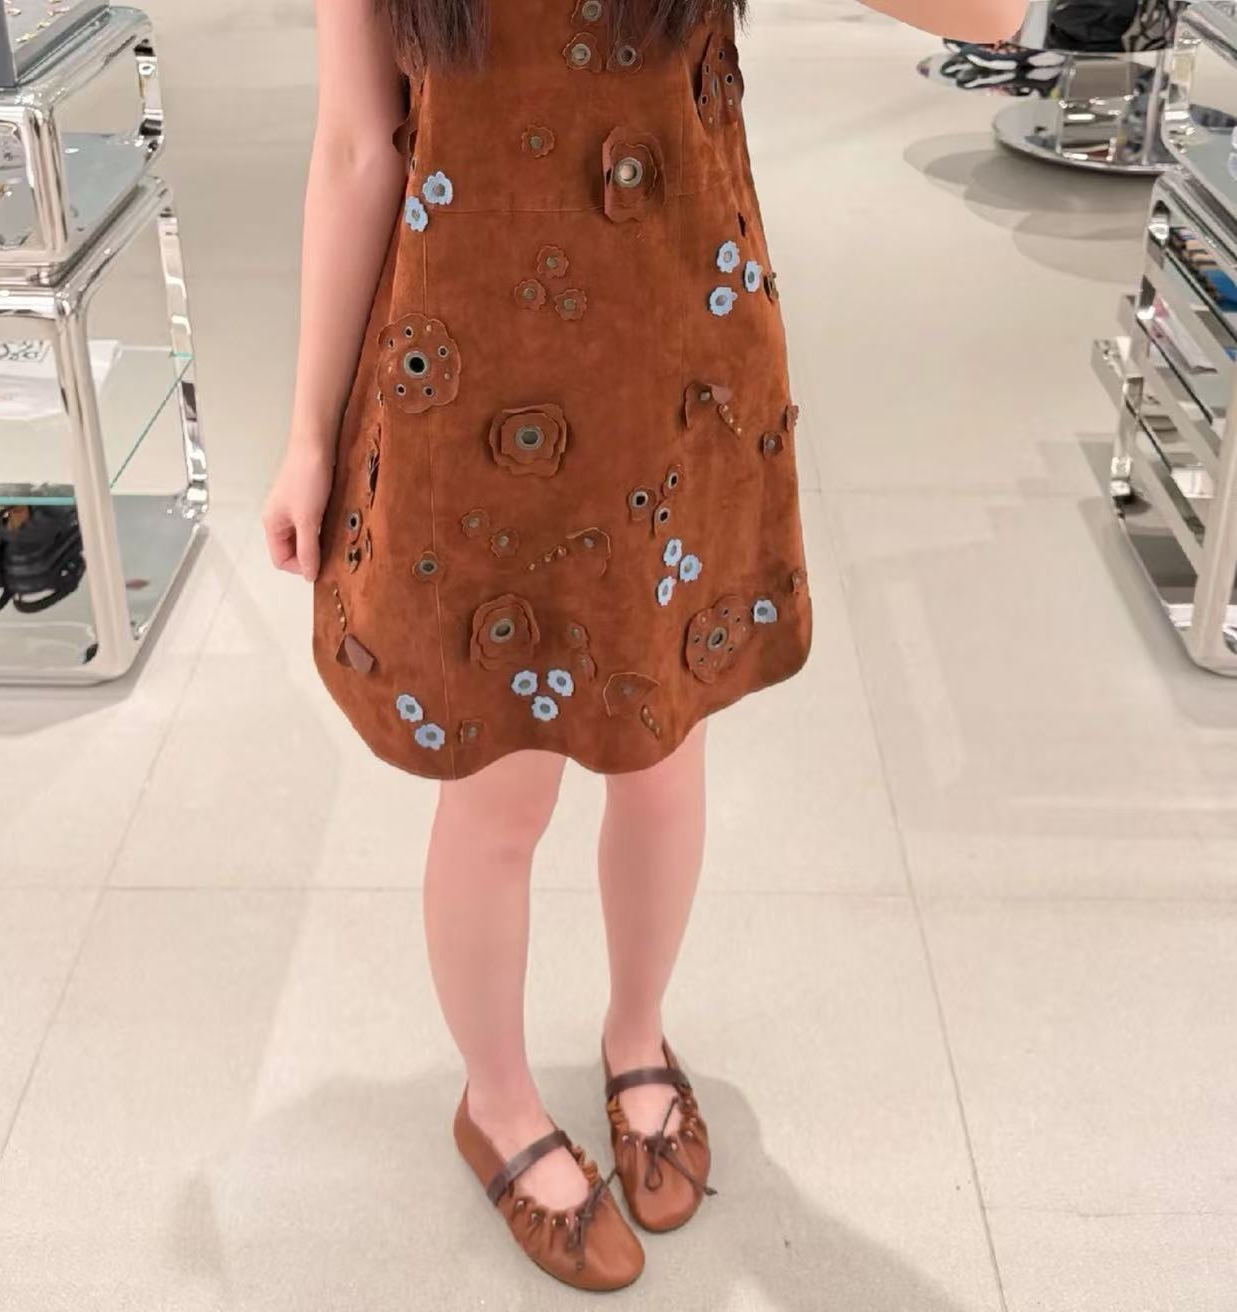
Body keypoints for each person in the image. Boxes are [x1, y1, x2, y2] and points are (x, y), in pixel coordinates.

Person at [262, 0, 1028, 1291]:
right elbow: (354, 145)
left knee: (661, 757)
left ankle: (636, 1039)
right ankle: (497, 1101)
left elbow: (990, 13)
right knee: (498, 795)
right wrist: (305, 433)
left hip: (667, 375)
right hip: (464, 378)